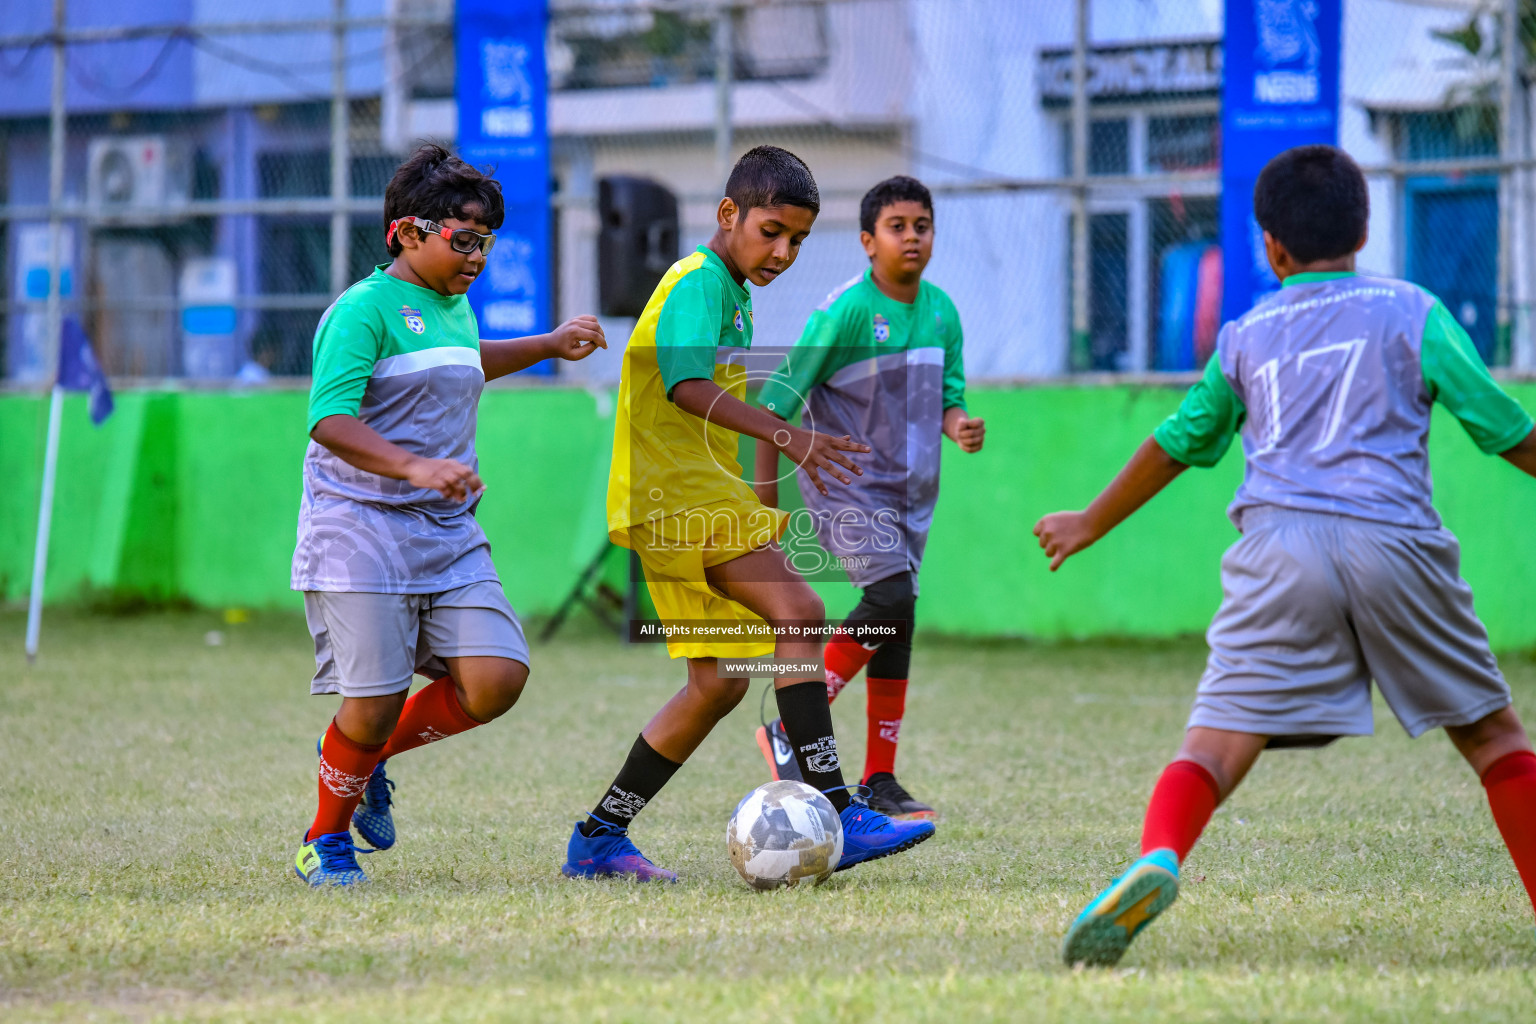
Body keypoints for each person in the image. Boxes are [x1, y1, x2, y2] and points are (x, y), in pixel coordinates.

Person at [1035, 144, 1536, 966]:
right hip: (1395, 541)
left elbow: (1178, 441)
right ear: (1365, 229)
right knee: (1493, 740)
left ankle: (1157, 856)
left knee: (1212, 748)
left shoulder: (1245, 334)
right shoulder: (1412, 310)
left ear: (1270, 246)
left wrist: (1090, 520)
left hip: (1277, 550)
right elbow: (1503, 428)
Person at [561, 146, 937, 882]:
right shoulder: (700, 283)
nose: (783, 251)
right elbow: (685, 386)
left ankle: (599, 836)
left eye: (796, 239)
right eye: (770, 231)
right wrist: (792, 438)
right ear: (726, 214)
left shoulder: (732, 291)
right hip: (678, 499)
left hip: (685, 498)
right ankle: (838, 809)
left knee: (718, 684)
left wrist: (758, 491)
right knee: (799, 611)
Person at [291, 143, 607, 886]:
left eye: (487, 242)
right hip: (358, 528)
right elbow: (328, 418)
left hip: (444, 532)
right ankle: (323, 842)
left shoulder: (453, 307)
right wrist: (414, 466)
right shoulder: (361, 312)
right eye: (463, 239)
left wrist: (549, 345)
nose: (477, 256)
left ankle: (364, 762)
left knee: (496, 679)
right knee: (368, 709)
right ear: (407, 232)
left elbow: (466, 357)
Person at [750, 175, 984, 819]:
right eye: (897, 226)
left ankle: (880, 779)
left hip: (911, 496)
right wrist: (765, 501)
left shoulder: (942, 311)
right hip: (845, 488)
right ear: (867, 241)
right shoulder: (847, 311)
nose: (912, 237)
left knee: (897, 622)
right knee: (889, 600)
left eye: (922, 226)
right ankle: (793, 721)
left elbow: (949, 394)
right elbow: (775, 399)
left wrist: (957, 422)